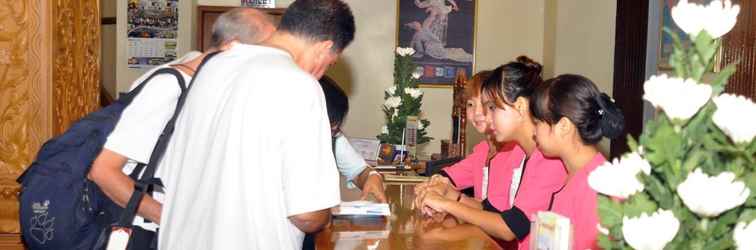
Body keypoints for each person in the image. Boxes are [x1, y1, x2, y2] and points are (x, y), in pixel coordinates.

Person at [155, 0, 356, 249]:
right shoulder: (299, 85)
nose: (321, 73)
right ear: (324, 48)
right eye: (330, 63)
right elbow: (307, 215)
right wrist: (327, 214)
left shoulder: (209, 67)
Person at [87, 7, 276, 232]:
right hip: (148, 233)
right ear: (231, 47)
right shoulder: (167, 88)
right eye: (265, 52)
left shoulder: (203, 81)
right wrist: (173, 223)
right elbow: (104, 171)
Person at [415, 56, 567, 250]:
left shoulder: (547, 158)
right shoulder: (529, 153)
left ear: (519, 106)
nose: (485, 116)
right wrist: (448, 195)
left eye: (492, 108)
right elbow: (496, 212)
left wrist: (446, 204)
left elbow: (510, 228)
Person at [529, 74, 624, 250]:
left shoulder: (598, 188)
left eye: (537, 123)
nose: (533, 132)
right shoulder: (575, 172)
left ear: (563, 126)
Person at [415, 70, 517, 211]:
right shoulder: (482, 150)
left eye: (486, 104)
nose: (477, 112)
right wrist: (432, 186)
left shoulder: (515, 152)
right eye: (470, 104)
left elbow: (498, 215)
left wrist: (453, 198)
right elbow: (449, 176)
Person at [320, 76, 387, 203]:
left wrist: (373, 176)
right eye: (330, 126)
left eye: (335, 128)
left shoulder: (335, 139)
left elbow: (360, 171)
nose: (333, 132)